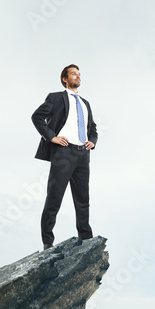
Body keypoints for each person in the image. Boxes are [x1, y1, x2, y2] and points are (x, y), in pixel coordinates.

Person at [32, 64, 98, 250]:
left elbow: (92, 128)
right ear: (64, 79)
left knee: (83, 200)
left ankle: (86, 239)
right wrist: (51, 136)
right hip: (64, 153)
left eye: (79, 74)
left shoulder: (85, 104)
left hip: (83, 154)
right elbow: (37, 116)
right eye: (73, 74)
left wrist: (92, 141)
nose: (77, 76)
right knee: (54, 198)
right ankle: (48, 243)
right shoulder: (55, 98)